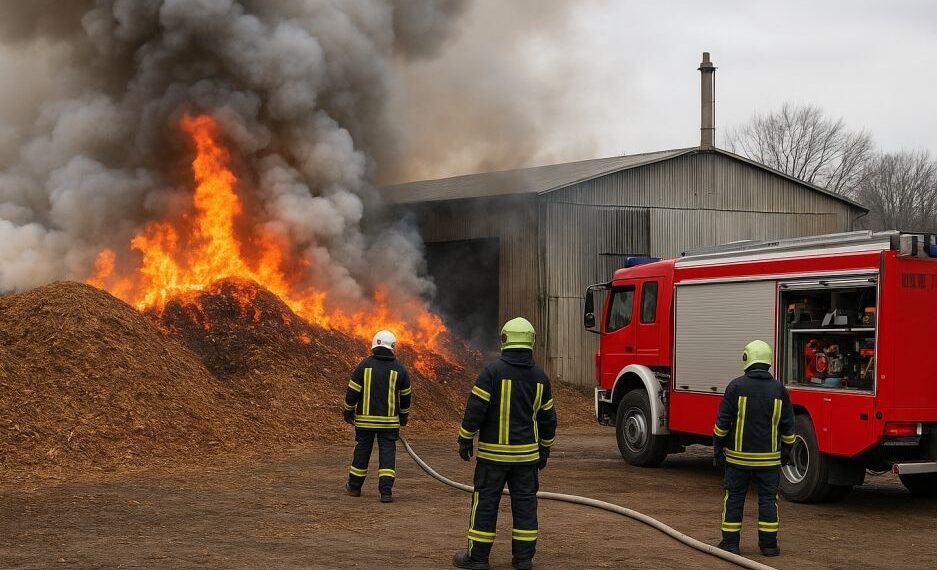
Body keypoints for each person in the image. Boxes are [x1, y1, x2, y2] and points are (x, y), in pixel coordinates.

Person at [452, 317, 557, 570]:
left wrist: (465, 437)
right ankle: (523, 559)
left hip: (492, 459)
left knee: (485, 504)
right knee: (525, 506)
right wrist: (544, 448)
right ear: (531, 341)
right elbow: (548, 419)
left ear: (505, 340)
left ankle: (477, 558)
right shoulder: (540, 377)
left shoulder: (492, 372)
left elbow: (475, 409)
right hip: (525, 460)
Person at [713, 340, 795, 557]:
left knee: (734, 498)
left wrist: (718, 450)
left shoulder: (735, 387)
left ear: (747, 359)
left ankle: (730, 544)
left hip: (737, 460)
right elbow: (788, 427)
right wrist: (787, 451)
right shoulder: (780, 390)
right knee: (769, 500)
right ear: (768, 361)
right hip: (768, 462)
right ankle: (768, 546)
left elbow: (722, 425)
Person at [343, 329, 412, 503]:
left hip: (365, 422)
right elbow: (406, 397)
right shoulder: (399, 369)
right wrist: (403, 416)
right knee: (387, 454)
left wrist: (348, 411)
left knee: (362, 452)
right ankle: (386, 492)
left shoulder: (363, 366)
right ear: (393, 348)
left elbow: (352, 392)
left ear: (374, 346)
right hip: (389, 424)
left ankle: (354, 487)